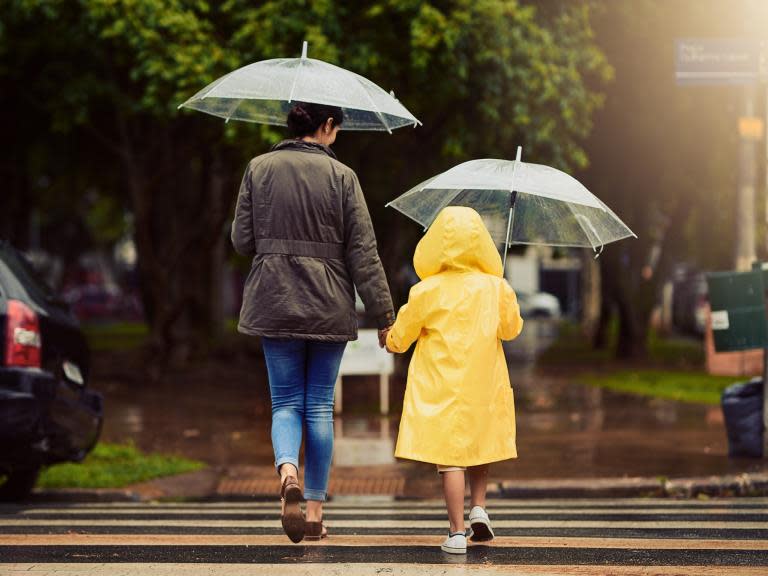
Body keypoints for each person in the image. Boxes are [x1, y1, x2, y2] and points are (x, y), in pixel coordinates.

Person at [231, 102, 394, 543]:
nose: (336, 137)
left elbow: (242, 240)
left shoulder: (258, 168)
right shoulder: (343, 178)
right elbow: (363, 253)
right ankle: (317, 514)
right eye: (336, 129)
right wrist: (383, 315)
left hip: (273, 299)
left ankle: (287, 471)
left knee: (285, 401)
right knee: (319, 405)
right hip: (327, 303)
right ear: (325, 126)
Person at [385, 206, 523, 554]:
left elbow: (402, 336)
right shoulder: (495, 287)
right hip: (483, 382)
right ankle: (479, 507)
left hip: (441, 385)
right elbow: (511, 330)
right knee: (481, 444)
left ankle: (457, 532)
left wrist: (389, 339)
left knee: (450, 458)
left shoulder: (427, 290)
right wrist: (504, 295)